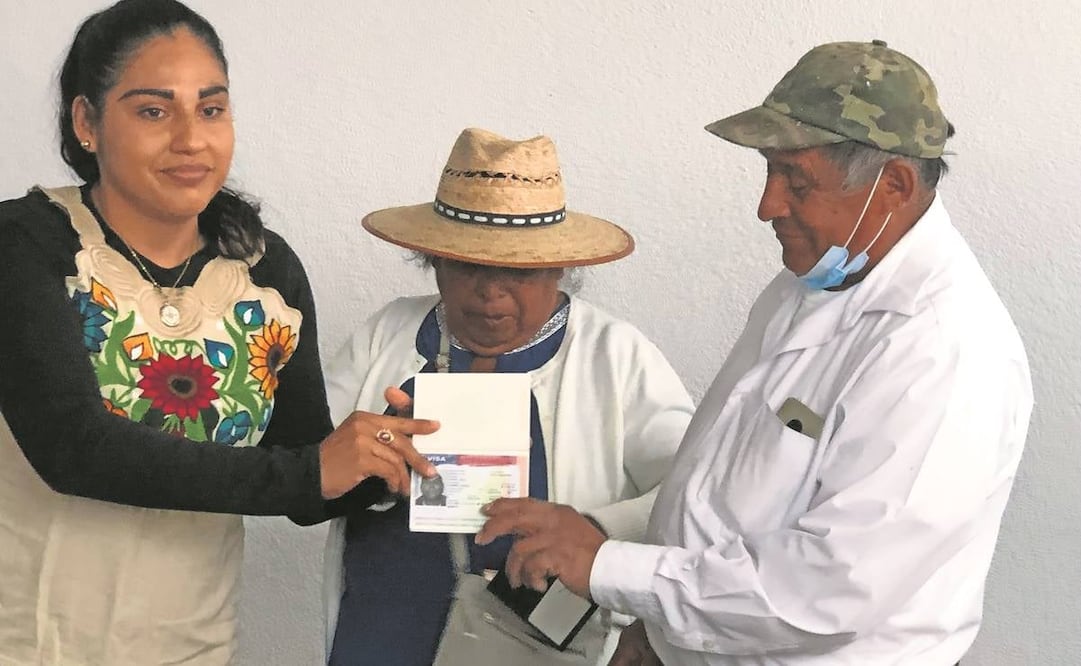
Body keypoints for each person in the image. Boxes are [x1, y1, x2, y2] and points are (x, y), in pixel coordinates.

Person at [478, 40, 1033, 665]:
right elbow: (717, 483)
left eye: (797, 180)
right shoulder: (813, 280)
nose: (768, 205)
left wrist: (607, 567)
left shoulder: (944, 353)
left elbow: (827, 591)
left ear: (894, 186)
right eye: (769, 171)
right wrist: (657, 630)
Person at [0, 1, 438, 663]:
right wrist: (309, 472)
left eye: (211, 109)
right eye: (154, 112)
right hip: (30, 643)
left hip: (192, 645)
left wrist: (385, 457)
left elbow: (303, 471)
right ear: (87, 122)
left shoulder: (265, 272)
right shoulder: (26, 245)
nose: (191, 139)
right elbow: (74, 448)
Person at [322, 127, 695, 665]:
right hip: (384, 636)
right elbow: (311, 468)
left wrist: (596, 530)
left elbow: (693, 493)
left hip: (541, 645)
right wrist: (370, 461)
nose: (490, 291)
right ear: (435, 260)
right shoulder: (389, 334)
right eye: (468, 265)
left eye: (518, 270)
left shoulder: (615, 356)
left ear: (560, 267)